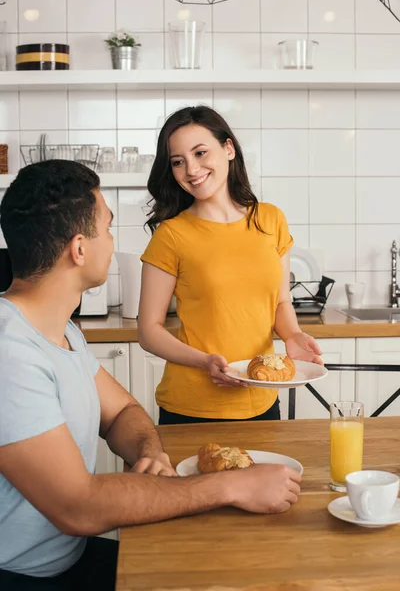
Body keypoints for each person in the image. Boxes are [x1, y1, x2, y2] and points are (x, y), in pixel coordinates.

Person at [0, 160, 301, 591]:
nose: (112, 240)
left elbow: (121, 410)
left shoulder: (60, 331)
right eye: (107, 228)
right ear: (79, 249)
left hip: (73, 559)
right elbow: (78, 506)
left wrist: (150, 451)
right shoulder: (9, 352)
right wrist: (228, 487)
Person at [138, 106, 323, 426]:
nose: (191, 169)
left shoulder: (270, 219)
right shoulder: (171, 235)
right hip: (191, 407)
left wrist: (292, 335)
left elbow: (279, 301)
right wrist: (204, 362)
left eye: (200, 153)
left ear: (228, 148)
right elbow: (148, 330)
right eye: (178, 161)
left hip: (262, 397)